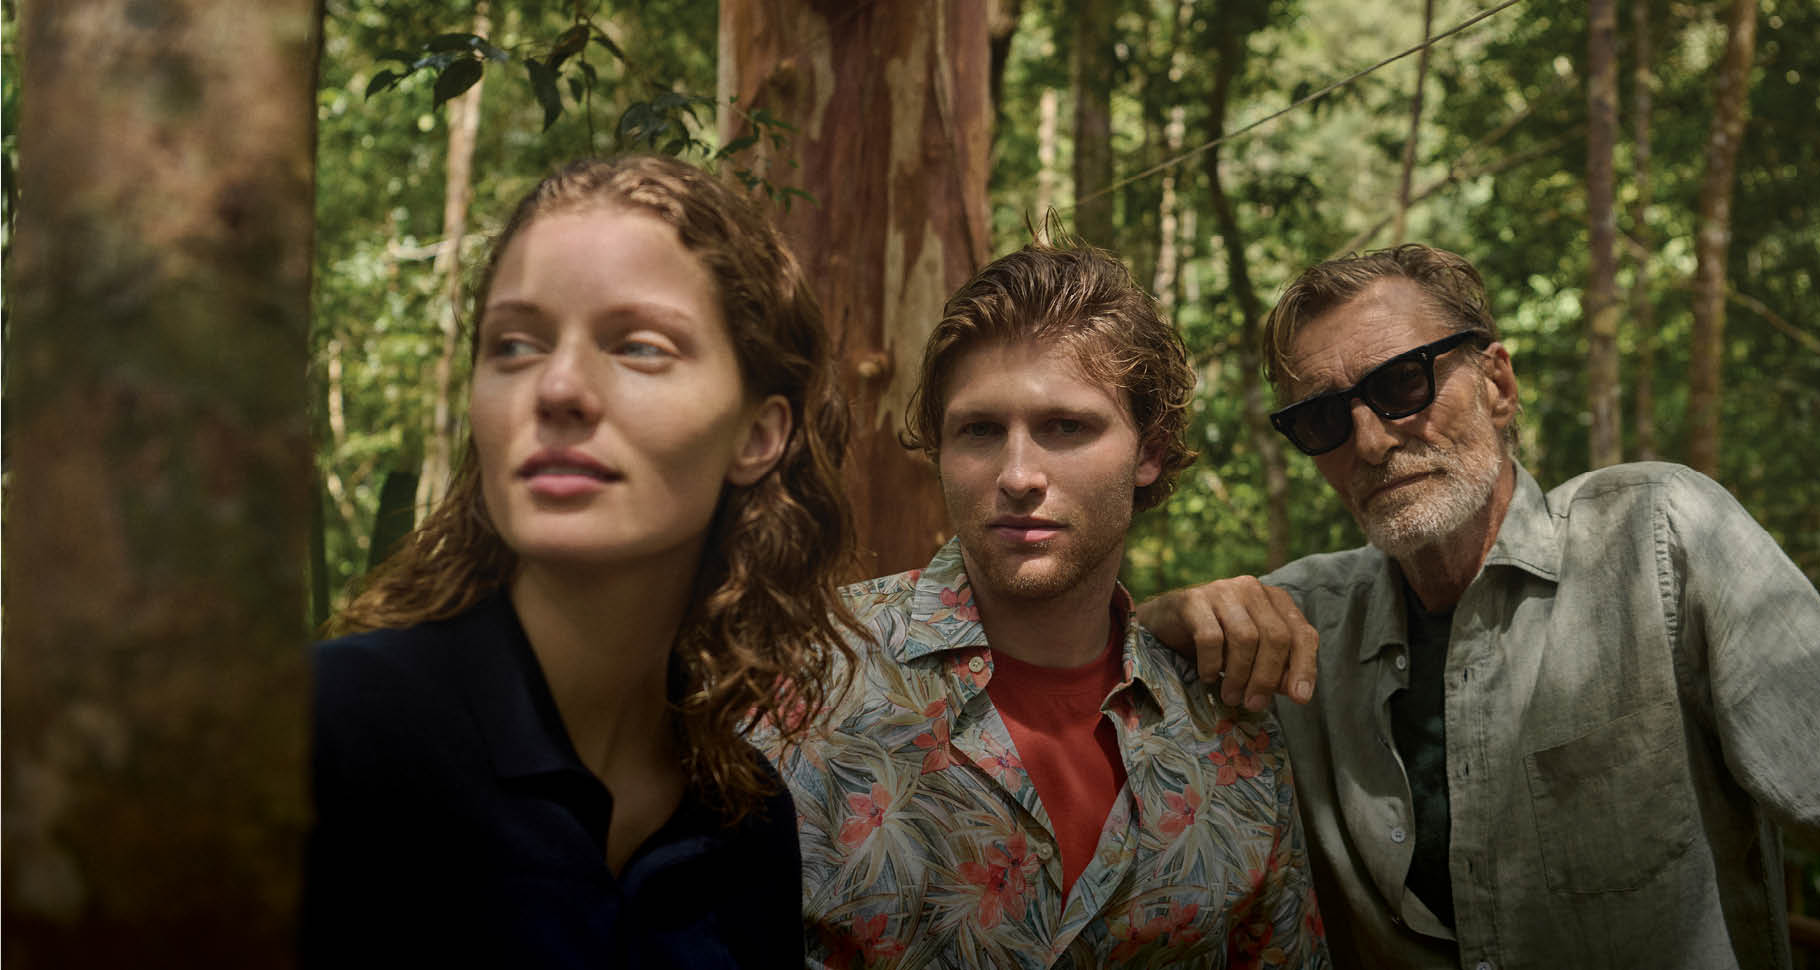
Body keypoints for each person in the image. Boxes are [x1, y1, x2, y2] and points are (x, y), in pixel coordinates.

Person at [1143, 243, 1820, 967]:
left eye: (1404, 382)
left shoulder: (1658, 536)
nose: (1370, 443)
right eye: (1323, 418)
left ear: (1498, 386)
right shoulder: (1295, 623)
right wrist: (1154, 622)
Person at [303, 155, 858, 968]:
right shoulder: (327, 730)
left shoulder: (750, 825)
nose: (557, 387)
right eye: (513, 346)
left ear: (758, 434)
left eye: (639, 347)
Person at [756, 241, 1328, 969]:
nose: (1019, 475)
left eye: (1066, 427)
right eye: (980, 430)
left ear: (1149, 452)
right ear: (939, 450)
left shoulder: (1229, 729)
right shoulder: (800, 676)